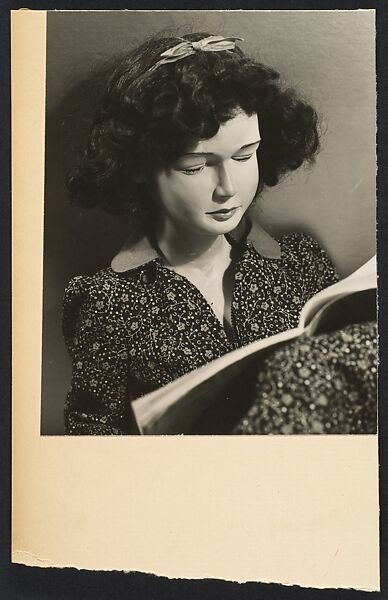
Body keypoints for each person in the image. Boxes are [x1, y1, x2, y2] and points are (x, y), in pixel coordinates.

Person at [62, 33, 339, 435]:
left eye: (245, 155)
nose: (228, 187)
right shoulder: (108, 302)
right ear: (139, 167)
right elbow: (92, 444)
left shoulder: (302, 263)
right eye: (195, 166)